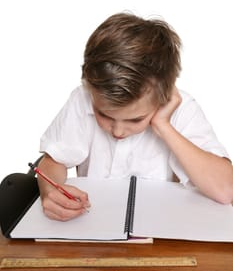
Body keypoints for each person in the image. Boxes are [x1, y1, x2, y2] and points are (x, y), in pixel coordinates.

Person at [38, 12, 233, 221]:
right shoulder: (82, 98)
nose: (118, 131)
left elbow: (225, 189)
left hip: (160, 233)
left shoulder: (182, 109)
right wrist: (50, 190)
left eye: (136, 119)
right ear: (89, 87)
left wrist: (163, 125)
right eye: (104, 114)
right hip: (94, 229)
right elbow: (53, 160)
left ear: (163, 98)